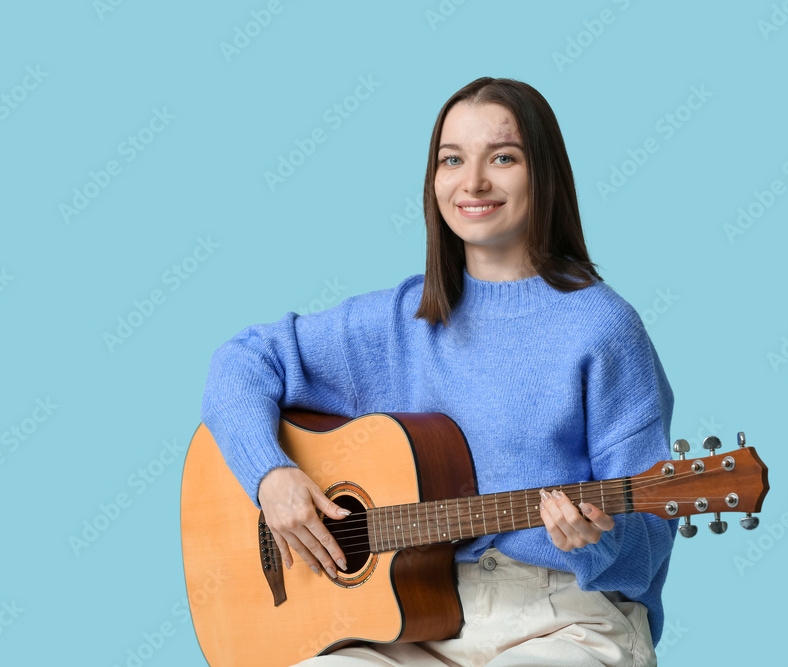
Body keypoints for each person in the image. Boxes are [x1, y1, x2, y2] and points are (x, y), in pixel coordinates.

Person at [201, 76, 677, 666]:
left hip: (566, 621)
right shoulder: (404, 319)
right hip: (416, 620)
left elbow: (651, 539)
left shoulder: (603, 328)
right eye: (452, 160)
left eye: (502, 158)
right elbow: (241, 362)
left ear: (544, 174)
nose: (472, 182)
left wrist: (598, 541)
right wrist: (269, 476)